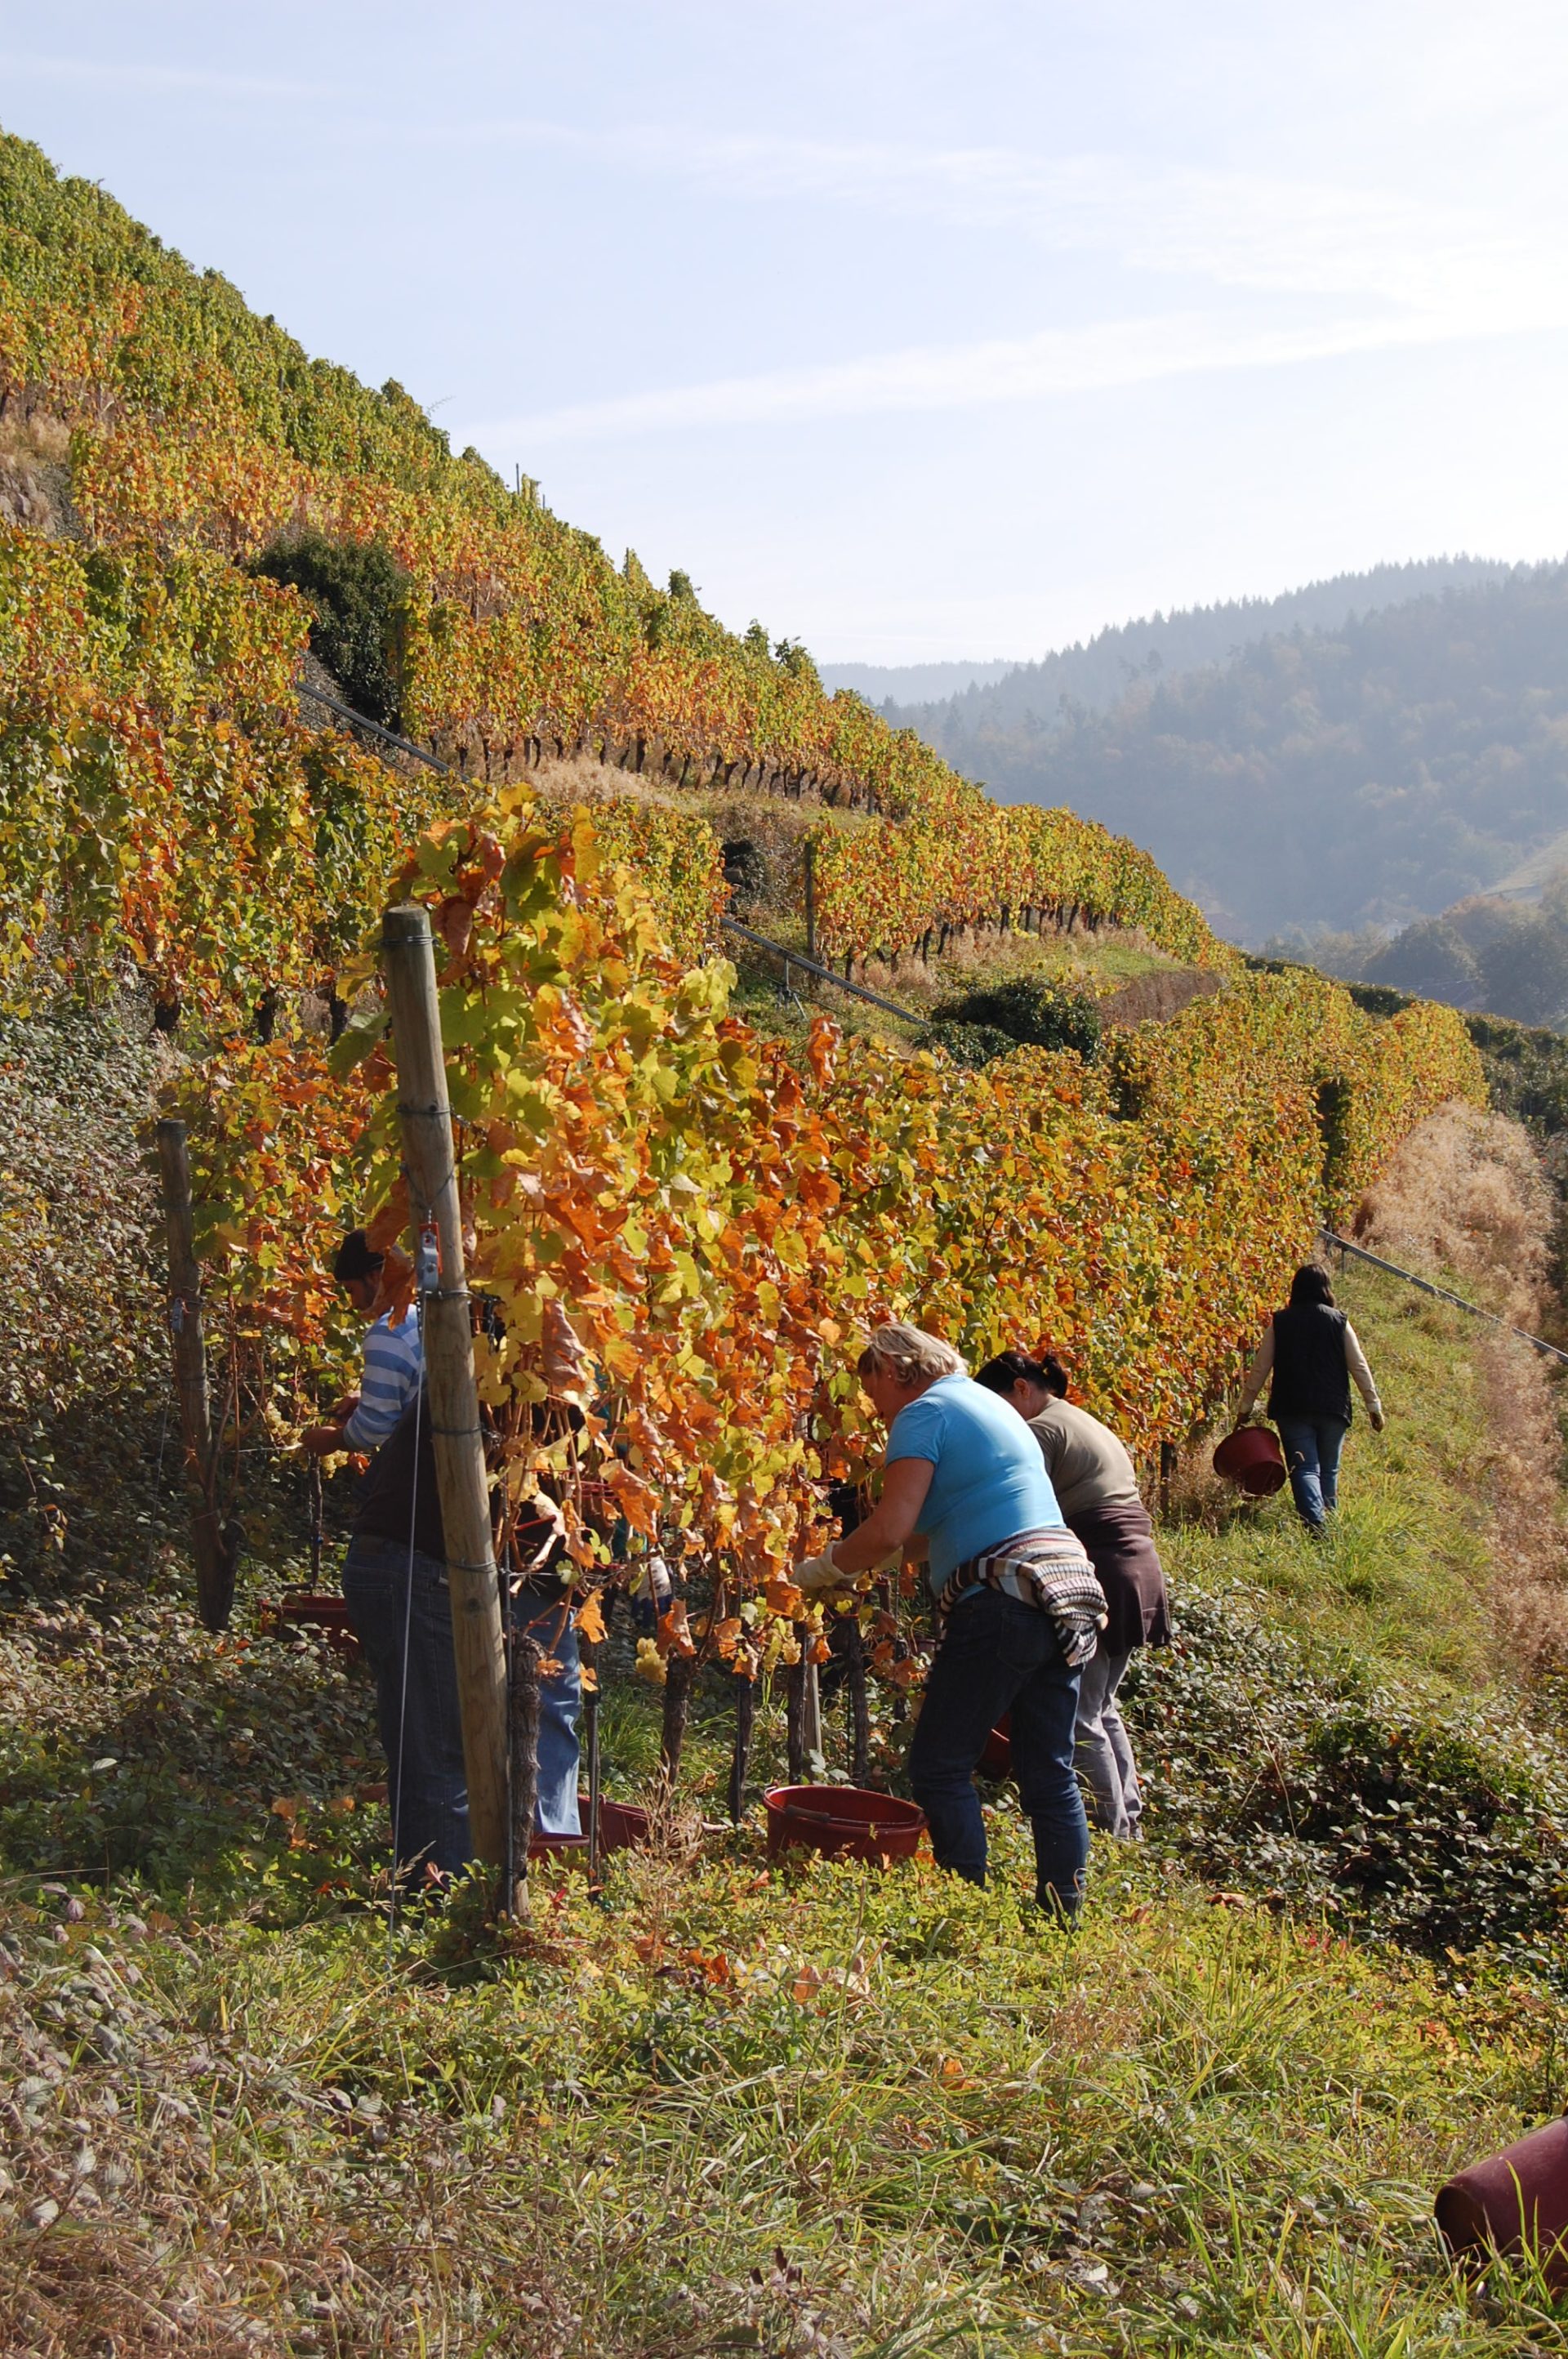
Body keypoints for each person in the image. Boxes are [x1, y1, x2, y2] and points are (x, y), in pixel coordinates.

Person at [795, 1322, 1105, 1916]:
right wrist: (864, 1562)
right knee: (1048, 1768)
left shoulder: (924, 1412)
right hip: (1063, 1585)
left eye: (872, 1392)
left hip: (1005, 1593)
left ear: (893, 1369)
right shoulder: (987, 1405)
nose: (876, 1411)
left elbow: (888, 1528)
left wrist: (820, 1569)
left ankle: (968, 1910)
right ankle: (1063, 1913)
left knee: (940, 1765)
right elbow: (924, 1536)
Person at [341, 1388, 581, 1882]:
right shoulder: (523, 1396)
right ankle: (440, 1911)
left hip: (402, 1563)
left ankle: (445, 1888)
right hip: (414, 1568)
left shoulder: (486, 1375)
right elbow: (529, 1515)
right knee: (441, 1751)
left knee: (427, 1745)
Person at [974, 1351, 1169, 1839]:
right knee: (1101, 1704)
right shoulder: (1075, 1418)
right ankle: (1128, 1821)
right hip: (1136, 1566)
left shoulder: (1039, 1432)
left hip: (1104, 1567)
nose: (998, 1420)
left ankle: (1110, 1831)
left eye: (997, 1404)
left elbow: (1011, 1504)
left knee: (1082, 1712)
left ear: (1022, 1389)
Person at [1237, 1263, 1385, 1533]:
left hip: (1292, 1406)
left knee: (1304, 1469)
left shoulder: (1281, 1322)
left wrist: (1245, 1408)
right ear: (1326, 1289)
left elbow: (1260, 1368)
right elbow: (1359, 1365)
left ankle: (1315, 1525)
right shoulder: (1339, 1322)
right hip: (1332, 1407)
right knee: (1328, 1470)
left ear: (1295, 1289)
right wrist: (1373, 1406)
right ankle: (1328, 1523)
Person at [301, 1229, 424, 1458]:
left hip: (423, 1472)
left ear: (375, 1276)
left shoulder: (389, 1332)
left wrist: (333, 1439)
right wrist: (365, 1399)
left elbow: (373, 1429)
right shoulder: (423, 1318)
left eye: (351, 1290)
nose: (354, 1303)